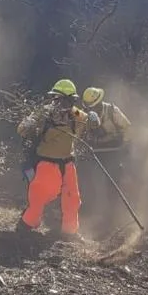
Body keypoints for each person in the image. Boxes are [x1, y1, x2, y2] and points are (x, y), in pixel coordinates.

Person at [16, 79, 98, 240]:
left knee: (72, 198)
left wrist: (94, 119)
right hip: (46, 162)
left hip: (68, 163)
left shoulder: (75, 113)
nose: (64, 103)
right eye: (60, 99)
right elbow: (21, 130)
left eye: (69, 100)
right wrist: (29, 123)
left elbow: (88, 122)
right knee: (40, 195)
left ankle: (70, 232)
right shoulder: (44, 113)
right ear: (54, 98)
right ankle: (26, 224)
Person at [80, 87, 133, 235]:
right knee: (89, 182)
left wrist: (125, 145)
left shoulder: (112, 111)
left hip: (114, 152)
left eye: (95, 106)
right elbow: (79, 133)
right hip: (94, 152)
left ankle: (112, 217)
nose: (93, 109)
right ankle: (89, 213)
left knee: (113, 184)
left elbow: (127, 127)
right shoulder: (84, 115)